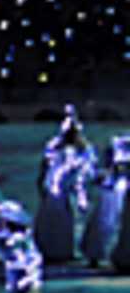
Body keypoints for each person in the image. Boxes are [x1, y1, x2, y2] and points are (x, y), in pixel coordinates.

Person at [34, 105, 98, 264]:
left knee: (73, 220)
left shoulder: (82, 149)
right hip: (57, 190)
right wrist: (44, 182)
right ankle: (53, 250)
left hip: (72, 190)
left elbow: (89, 168)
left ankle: (68, 249)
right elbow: (46, 165)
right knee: (56, 220)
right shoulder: (55, 147)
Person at [80, 135, 130, 268]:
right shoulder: (121, 144)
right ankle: (95, 254)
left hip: (118, 186)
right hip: (114, 187)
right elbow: (112, 167)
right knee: (104, 220)